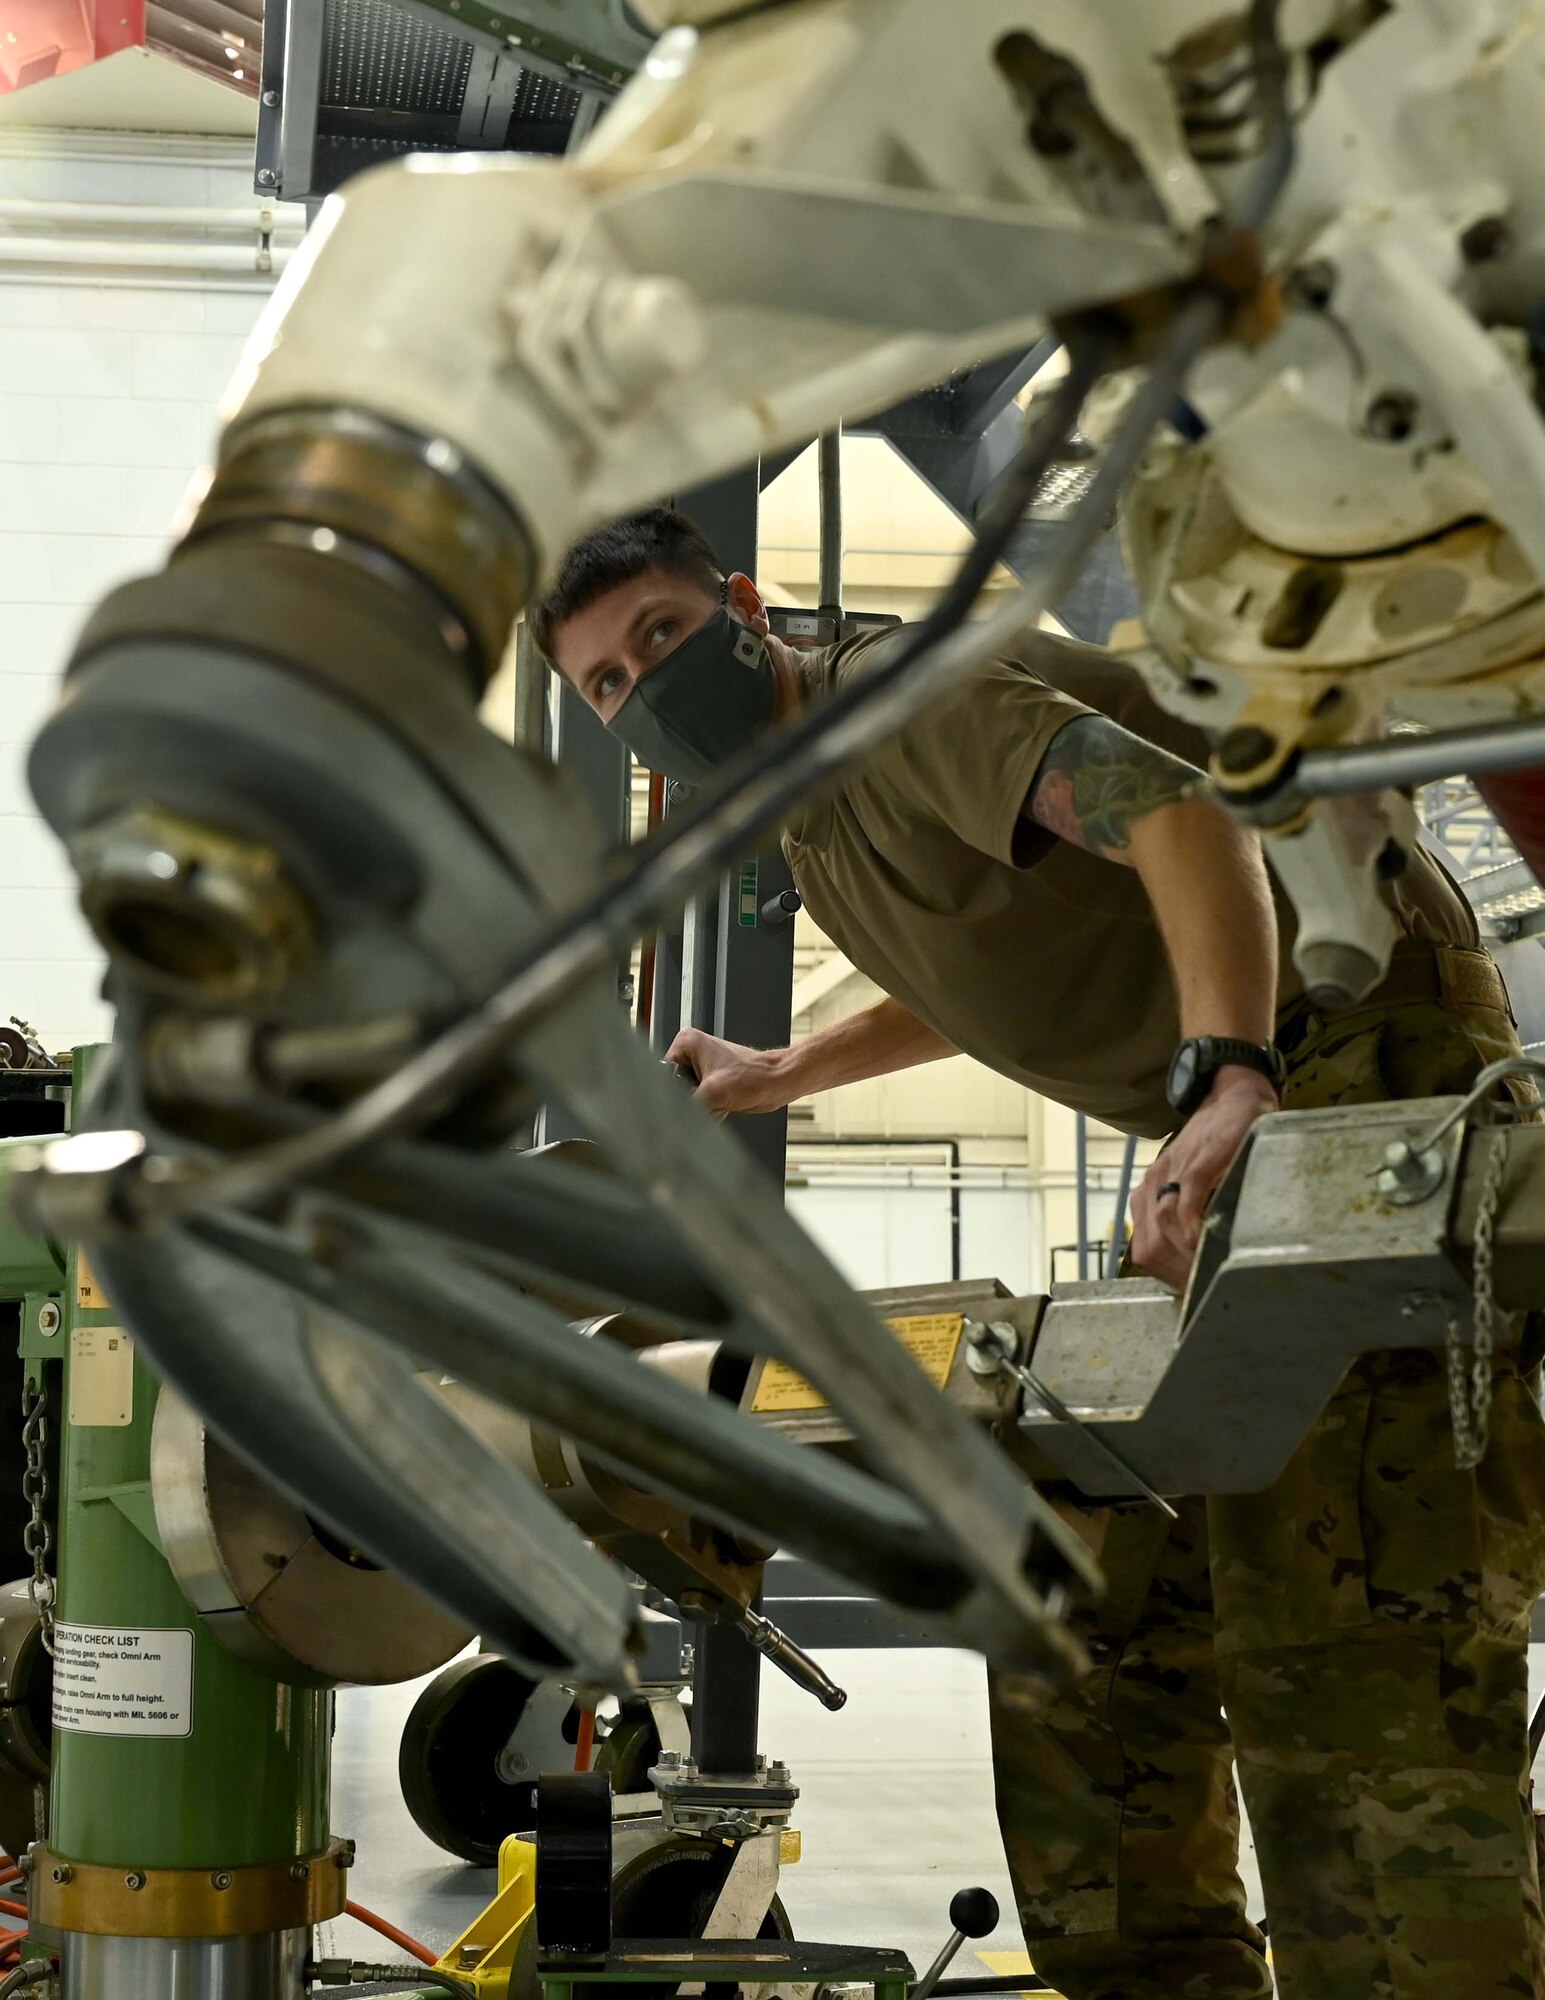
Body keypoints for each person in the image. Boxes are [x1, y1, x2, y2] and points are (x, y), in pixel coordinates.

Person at [531, 507, 1545, 2000]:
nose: (645, 687)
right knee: (1088, 1595)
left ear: (745, 604)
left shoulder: (904, 700)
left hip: (1351, 1045)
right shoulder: (815, 816)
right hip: (1249, 1098)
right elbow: (989, 959)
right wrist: (777, 1072)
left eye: (662, 637)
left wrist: (1230, 1070)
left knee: (1340, 1629)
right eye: (609, 684)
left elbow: (1171, 813)